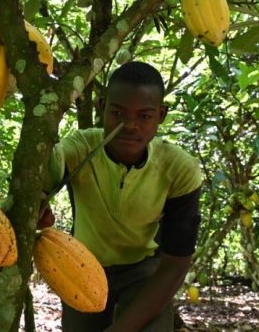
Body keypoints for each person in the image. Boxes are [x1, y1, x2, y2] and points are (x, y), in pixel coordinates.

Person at [45, 61, 203, 332]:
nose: (129, 125)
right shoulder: (80, 148)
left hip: (143, 269)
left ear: (161, 115)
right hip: (82, 264)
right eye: (118, 112)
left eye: (144, 116)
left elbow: (175, 264)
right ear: (102, 106)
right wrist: (39, 200)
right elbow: (43, 175)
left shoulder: (178, 169)